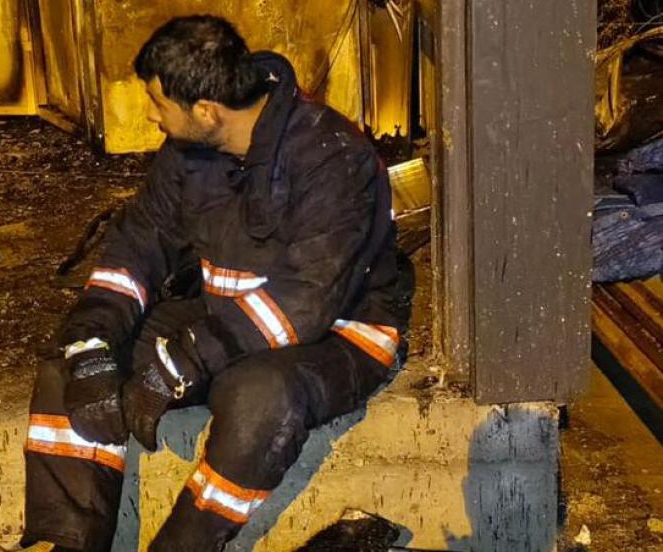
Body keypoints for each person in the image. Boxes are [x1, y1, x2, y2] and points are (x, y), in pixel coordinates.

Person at [20, 14, 410, 552]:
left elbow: (305, 303)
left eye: (157, 103)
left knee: (261, 398)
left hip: (337, 335)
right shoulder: (189, 153)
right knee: (72, 366)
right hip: (224, 321)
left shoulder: (333, 156)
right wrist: (93, 340)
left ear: (206, 110)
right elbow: (137, 246)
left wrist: (185, 359)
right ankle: (66, 541)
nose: (150, 115)